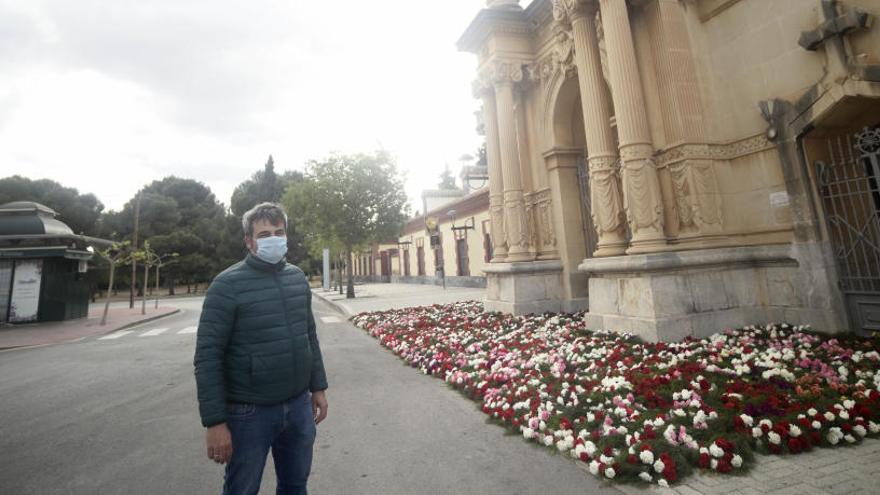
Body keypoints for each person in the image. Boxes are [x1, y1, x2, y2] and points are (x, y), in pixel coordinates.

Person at [194, 202, 328, 495]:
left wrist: (318, 387)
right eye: (264, 235)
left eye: (279, 232)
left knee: (295, 486)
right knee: (242, 490)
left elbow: (309, 335)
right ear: (248, 241)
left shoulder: (297, 278)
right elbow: (208, 357)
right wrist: (215, 422)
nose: (273, 239)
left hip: (298, 406)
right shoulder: (226, 285)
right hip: (249, 413)